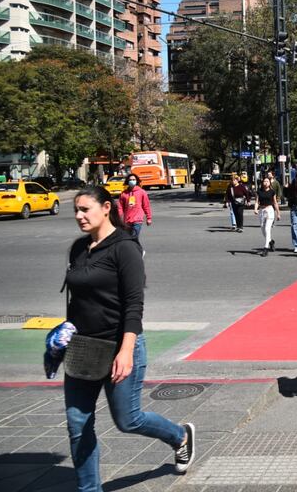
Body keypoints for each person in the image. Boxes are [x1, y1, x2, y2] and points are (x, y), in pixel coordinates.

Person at [65, 186, 195, 490]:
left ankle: (180, 436)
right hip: (83, 348)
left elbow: (134, 304)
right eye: (76, 210)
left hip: (120, 346)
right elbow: (77, 301)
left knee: (128, 420)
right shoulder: (78, 249)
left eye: (85, 209)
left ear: (106, 208)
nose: (79, 216)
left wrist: (126, 350)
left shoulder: (125, 247)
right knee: (77, 424)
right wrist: (63, 334)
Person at [117, 173, 151, 246]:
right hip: (127, 220)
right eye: (130, 180)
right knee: (128, 238)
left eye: (133, 180)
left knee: (134, 237)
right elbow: (120, 207)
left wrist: (149, 218)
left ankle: (138, 252)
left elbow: (146, 206)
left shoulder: (142, 192)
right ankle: (137, 251)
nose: (132, 181)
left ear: (137, 181)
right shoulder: (124, 193)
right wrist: (119, 218)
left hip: (137, 219)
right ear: (127, 181)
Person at [253, 177, 280, 257]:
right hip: (262, 210)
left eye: (267, 181)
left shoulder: (272, 192)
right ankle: (271, 241)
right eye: (264, 181)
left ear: (269, 183)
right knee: (262, 229)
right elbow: (257, 202)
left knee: (267, 229)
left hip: (269, 210)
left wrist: (278, 213)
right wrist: (255, 209)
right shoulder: (259, 192)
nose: (266, 182)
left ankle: (265, 248)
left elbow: (275, 203)